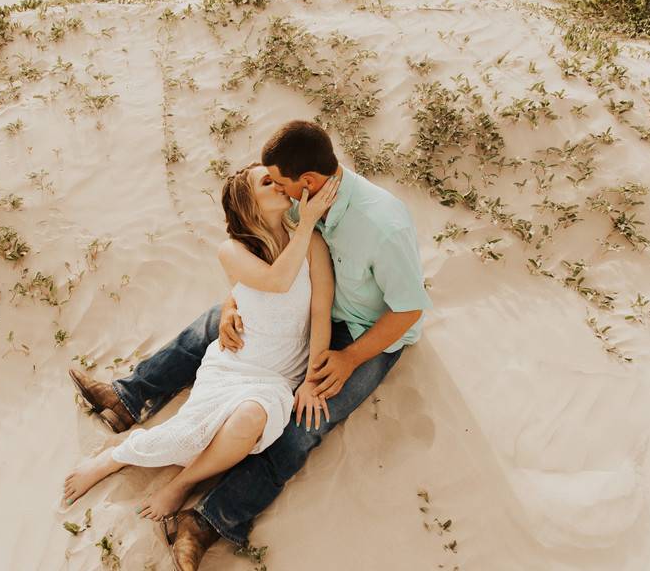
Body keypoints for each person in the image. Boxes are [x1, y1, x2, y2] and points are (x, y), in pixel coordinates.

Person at [69, 120, 433, 570]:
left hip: (364, 333)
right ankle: (128, 396)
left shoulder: (382, 225)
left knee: (305, 423)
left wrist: (347, 357)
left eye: (278, 181)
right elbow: (262, 261)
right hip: (299, 317)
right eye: (271, 183)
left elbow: (409, 312)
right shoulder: (298, 204)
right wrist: (230, 304)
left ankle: (209, 518)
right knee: (216, 324)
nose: (277, 188)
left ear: (308, 183)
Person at [63, 164, 339, 521]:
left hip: (279, 378)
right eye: (266, 183)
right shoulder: (233, 250)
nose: (278, 184)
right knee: (188, 433)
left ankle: (181, 484)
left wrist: (313, 378)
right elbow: (276, 281)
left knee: (249, 421)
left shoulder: (312, 242)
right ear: (248, 204)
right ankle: (112, 458)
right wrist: (304, 224)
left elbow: (321, 310)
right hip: (235, 363)